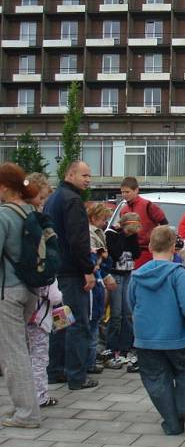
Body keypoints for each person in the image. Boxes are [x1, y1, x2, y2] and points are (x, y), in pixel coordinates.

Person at [129, 226, 185, 435]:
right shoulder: (179, 274)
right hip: (177, 337)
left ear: (149, 246)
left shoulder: (137, 276)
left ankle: (172, 423)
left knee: (155, 378)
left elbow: (132, 303)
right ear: (174, 247)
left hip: (146, 338)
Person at [45, 160, 98, 391]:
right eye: (84, 175)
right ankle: (77, 376)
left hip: (55, 271)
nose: (88, 179)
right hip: (72, 272)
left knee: (60, 322)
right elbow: (79, 240)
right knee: (78, 323)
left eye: (89, 176)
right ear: (70, 174)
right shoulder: (73, 200)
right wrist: (87, 270)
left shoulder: (53, 198)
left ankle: (55, 370)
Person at [0, 162, 45, 427]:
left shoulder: (4, 214)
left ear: (5, 188)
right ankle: (24, 407)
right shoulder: (30, 210)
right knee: (18, 350)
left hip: (8, 290)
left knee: (13, 353)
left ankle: (26, 413)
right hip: (30, 288)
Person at [24, 173, 58, 408]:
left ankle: (29, 395)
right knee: (38, 353)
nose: (43, 202)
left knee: (25, 352)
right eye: (41, 198)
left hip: (24, 297)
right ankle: (39, 396)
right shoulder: (34, 222)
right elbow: (42, 262)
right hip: (38, 299)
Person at [104, 212, 141, 368]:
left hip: (127, 274)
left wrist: (131, 237)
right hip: (116, 275)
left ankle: (126, 347)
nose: (131, 234)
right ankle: (113, 347)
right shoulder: (112, 234)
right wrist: (121, 235)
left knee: (128, 313)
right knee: (116, 313)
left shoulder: (131, 236)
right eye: (129, 231)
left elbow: (137, 253)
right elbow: (116, 253)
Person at [86, 203, 116, 375]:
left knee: (96, 319)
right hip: (95, 278)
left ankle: (92, 358)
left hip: (98, 277)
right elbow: (99, 258)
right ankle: (91, 359)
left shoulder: (98, 232)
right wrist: (103, 259)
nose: (105, 222)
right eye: (103, 218)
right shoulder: (92, 233)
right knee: (94, 319)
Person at [118, 177, 168, 269]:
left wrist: (158, 241)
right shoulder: (123, 210)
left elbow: (164, 223)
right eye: (122, 192)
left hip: (147, 251)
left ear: (136, 190)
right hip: (128, 254)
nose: (124, 194)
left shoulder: (148, 205)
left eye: (127, 192)